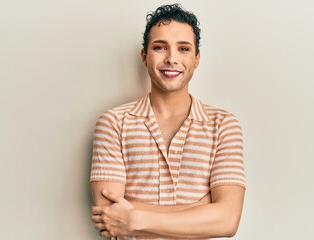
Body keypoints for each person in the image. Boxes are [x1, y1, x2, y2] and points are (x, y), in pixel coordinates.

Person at [90, 3, 246, 239]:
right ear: (144, 56)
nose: (172, 58)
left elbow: (227, 220)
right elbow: (109, 217)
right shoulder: (113, 123)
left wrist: (135, 216)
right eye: (160, 47)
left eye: (183, 49)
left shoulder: (223, 125)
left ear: (196, 59)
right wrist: (201, 208)